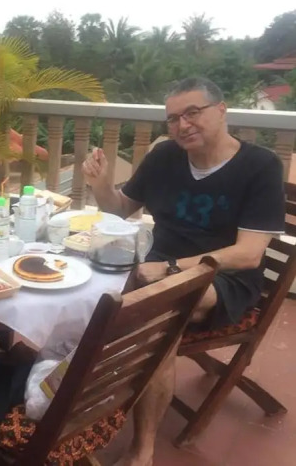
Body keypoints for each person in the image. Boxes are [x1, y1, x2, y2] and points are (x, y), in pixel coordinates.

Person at [82, 77, 284, 466]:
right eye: (173, 118)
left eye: (192, 113)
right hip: (155, 269)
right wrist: (101, 185)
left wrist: (171, 268)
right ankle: (77, 398)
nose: (182, 125)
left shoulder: (259, 166)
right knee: (84, 285)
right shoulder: (165, 157)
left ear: (221, 110)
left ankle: (142, 450)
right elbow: (120, 210)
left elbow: (247, 255)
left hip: (224, 280)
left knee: (157, 322)